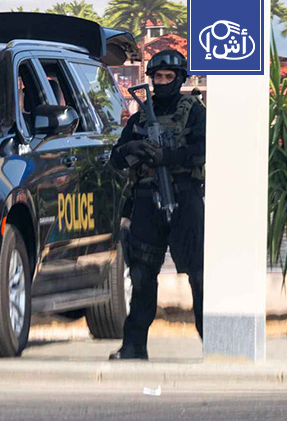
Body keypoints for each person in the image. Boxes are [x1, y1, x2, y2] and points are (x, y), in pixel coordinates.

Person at [108, 49, 206, 360]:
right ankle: (134, 345)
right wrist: (133, 148)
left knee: (199, 275)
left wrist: (169, 157)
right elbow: (116, 158)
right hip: (146, 200)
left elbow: (204, 148)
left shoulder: (194, 111)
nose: (162, 82)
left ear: (180, 79)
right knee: (141, 274)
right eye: (158, 77)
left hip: (185, 197)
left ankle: (214, 343)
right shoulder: (139, 117)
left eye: (168, 77)